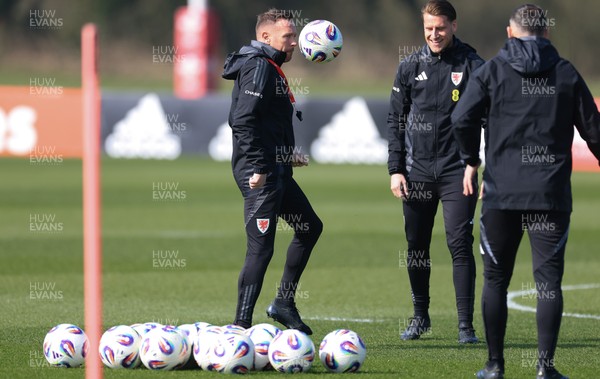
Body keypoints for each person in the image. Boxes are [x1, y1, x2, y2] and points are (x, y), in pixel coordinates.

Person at [452, 4, 600, 378]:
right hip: (549, 196)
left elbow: (460, 118)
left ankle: (494, 365)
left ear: (509, 32)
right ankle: (545, 369)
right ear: (546, 34)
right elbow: (594, 131)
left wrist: (472, 159)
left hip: (502, 194)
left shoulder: (491, 71)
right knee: (548, 283)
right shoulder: (565, 72)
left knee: (496, 280)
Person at [387, 0, 484, 343]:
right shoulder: (410, 66)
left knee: (460, 244)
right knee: (417, 247)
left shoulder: (473, 64)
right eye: (428, 29)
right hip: (417, 173)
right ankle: (420, 316)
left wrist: (479, 165)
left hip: (459, 172)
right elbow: (396, 120)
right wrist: (395, 169)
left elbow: (491, 119)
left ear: (453, 26)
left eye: (440, 28)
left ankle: (465, 326)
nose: (434, 34)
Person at [222, 8, 323, 335]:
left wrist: (285, 154)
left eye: (294, 35)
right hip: (260, 175)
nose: (295, 42)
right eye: (288, 37)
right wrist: (259, 166)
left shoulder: (269, 66)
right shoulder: (258, 67)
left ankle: (283, 303)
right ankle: (240, 327)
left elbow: (266, 122)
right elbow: (243, 120)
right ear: (265, 37)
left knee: (310, 227)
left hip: (275, 168)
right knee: (261, 248)